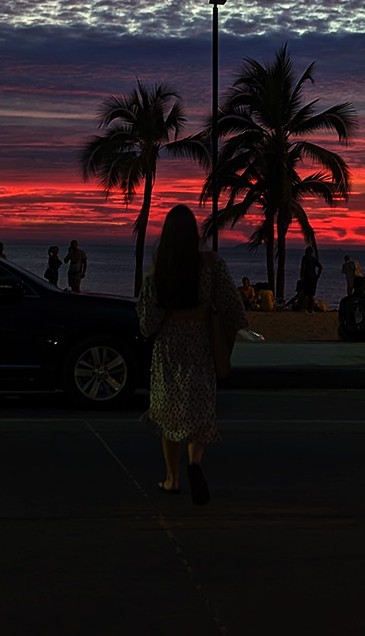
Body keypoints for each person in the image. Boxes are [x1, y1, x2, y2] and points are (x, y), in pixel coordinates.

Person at [137, 205, 246, 506]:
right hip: (201, 344)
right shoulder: (212, 265)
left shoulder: (161, 270)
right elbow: (234, 309)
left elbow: (147, 323)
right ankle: (195, 463)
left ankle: (172, 479)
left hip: (170, 346)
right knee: (199, 409)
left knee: (168, 412)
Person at [298, 246, 323, 311]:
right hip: (313, 278)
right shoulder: (313, 259)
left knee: (305, 294)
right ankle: (311, 309)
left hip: (307, 278)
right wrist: (317, 276)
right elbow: (320, 267)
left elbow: (303, 267)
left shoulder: (305, 258)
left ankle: (305, 308)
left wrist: (302, 276)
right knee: (311, 294)